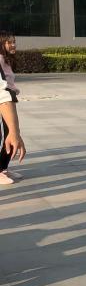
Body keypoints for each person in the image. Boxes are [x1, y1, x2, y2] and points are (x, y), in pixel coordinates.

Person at [0, 31, 26, 184]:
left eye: (14, 41)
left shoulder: (6, 60)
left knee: (10, 134)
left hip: (8, 99)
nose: (13, 45)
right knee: (5, 135)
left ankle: (3, 168)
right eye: (9, 42)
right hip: (3, 100)